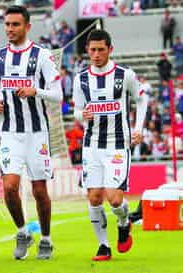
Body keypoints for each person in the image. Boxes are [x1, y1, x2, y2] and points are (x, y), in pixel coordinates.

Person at [0, 5, 62, 260]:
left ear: (27, 27)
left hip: (37, 132)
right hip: (10, 131)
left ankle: (46, 239)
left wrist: (36, 91)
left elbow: (58, 94)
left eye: (15, 25)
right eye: (7, 24)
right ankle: (22, 232)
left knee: (39, 191)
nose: (10, 29)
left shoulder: (42, 56)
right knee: (9, 187)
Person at [72, 29, 148, 261]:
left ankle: (124, 222)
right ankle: (104, 246)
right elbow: (77, 110)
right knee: (94, 197)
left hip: (117, 144)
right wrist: (81, 114)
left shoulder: (125, 75)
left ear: (110, 50)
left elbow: (142, 99)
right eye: (92, 50)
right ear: (87, 50)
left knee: (114, 199)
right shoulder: (81, 79)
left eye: (100, 50)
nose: (96, 54)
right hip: (91, 145)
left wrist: (138, 129)